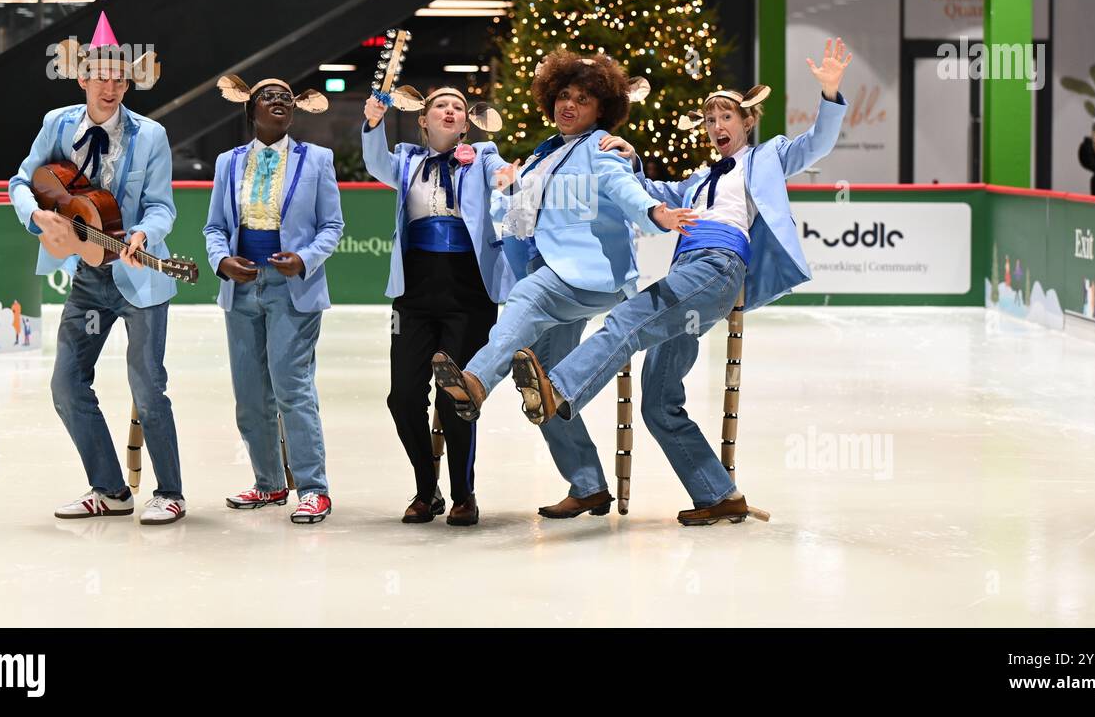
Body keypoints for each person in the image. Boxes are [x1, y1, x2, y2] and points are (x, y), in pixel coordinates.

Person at [508, 38, 851, 525]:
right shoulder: (696, 179)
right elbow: (646, 195)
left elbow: (815, 144)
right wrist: (628, 157)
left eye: (725, 117)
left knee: (627, 318)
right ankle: (718, 493)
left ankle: (559, 388)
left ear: (746, 121)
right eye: (710, 120)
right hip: (688, 277)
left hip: (718, 268)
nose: (716, 127)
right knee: (660, 400)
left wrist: (830, 95)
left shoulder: (765, 159)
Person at [431, 50, 696, 520]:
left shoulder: (601, 148)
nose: (569, 105)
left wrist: (657, 214)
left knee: (527, 298)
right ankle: (588, 485)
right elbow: (514, 218)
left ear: (602, 110)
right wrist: (511, 187)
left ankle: (473, 381)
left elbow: (626, 190)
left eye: (584, 99)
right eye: (564, 96)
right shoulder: (543, 152)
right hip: (551, 267)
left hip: (587, 273)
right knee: (541, 385)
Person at [8, 10, 186, 525]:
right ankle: (109, 489)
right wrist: (39, 215)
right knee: (66, 385)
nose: (110, 88)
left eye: (119, 79)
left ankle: (169, 492)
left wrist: (142, 234)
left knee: (148, 388)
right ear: (83, 78)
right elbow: (22, 181)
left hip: (140, 278)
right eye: (100, 77)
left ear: (128, 82)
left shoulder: (150, 135)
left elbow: (162, 206)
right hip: (88, 274)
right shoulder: (57, 125)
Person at [362, 84, 510, 525]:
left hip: (469, 289)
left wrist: (510, 176)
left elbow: (504, 174)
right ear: (423, 120)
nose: (450, 111)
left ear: (466, 122)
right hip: (415, 290)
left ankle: (464, 492)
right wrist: (373, 123)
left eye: (458, 107)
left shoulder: (483, 156)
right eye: (440, 106)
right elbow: (375, 162)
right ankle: (426, 489)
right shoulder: (405, 159)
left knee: (455, 396)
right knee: (402, 396)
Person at [204, 74, 343, 525]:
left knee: (292, 388)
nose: (280, 100)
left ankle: (313, 489)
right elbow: (213, 228)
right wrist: (222, 260)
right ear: (251, 110)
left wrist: (304, 259)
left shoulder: (317, 159)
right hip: (240, 288)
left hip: (292, 289)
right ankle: (268, 483)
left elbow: (332, 227)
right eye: (269, 95)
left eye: (286, 96)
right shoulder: (228, 162)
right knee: (249, 395)